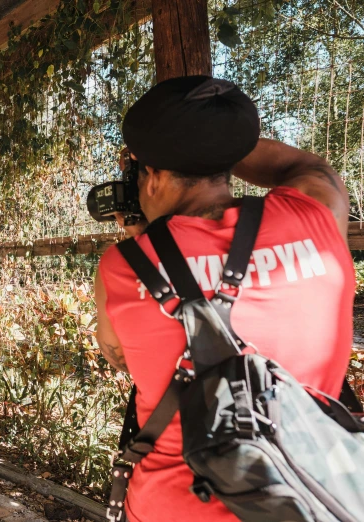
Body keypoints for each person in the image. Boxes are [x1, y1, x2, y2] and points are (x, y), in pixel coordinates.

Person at [94, 76, 354, 522]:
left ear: (151, 176)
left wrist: (148, 248)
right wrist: (212, 138)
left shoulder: (121, 267)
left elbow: (117, 355)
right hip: (315, 499)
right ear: (228, 159)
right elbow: (304, 165)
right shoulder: (318, 214)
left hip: (173, 506)